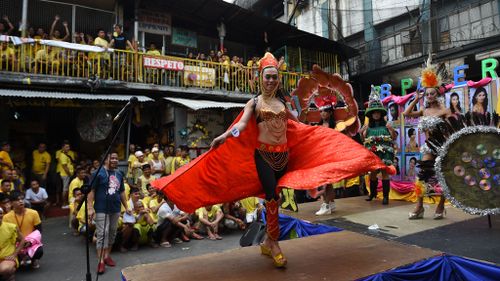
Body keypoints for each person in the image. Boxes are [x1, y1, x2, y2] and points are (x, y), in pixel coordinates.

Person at [152, 54, 392, 268]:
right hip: (263, 156)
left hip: (284, 156)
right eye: (267, 77)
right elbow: (243, 125)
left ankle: (268, 240)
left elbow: (296, 125)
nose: (271, 81)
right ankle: (274, 243)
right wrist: (225, 135)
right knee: (272, 196)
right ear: (261, 78)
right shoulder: (254, 103)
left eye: (274, 77)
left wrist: (318, 134)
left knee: (276, 195)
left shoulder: (282, 104)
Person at [404, 59, 451, 220]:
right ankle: (419, 207)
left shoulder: (445, 110)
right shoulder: (423, 110)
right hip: (429, 147)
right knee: (422, 175)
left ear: (438, 94)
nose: (430, 95)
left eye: (432, 93)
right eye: (427, 93)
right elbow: (406, 114)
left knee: (444, 176)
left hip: (444, 145)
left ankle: (441, 205)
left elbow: (453, 127)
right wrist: (416, 99)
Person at [87, 152, 130, 274]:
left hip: (115, 209)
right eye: (113, 158)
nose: (115, 160)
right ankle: (100, 261)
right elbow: (91, 191)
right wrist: (90, 208)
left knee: (112, 232)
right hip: (101, 209)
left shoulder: (119, 174)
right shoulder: (98, 173)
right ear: (106, 159)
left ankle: (107, 256)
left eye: (117, 158)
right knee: (102, 233)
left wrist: (126, 206)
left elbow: (121, 192)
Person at [360, 86, 397, 205]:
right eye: (374, 113)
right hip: (373, 153)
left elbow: (394, 138)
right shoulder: (368, 127)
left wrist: (391, 130)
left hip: (385, 153)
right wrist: (361, 133)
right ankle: (372, 194)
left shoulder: (387, 125)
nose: (376, 115)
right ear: (371, 115)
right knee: (373, 173)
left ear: (380, 113)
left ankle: (385, 197)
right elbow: (364, 141)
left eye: (378, 113)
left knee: (385, 173)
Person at [3, 191, 43, 269]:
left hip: (30, 241)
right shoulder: (6, 217)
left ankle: (33, 259)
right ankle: (20, 259)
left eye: (22, 199)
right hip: (15, 243)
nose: (21, 201)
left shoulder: (33, 213)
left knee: (39, 251)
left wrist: (30, 242)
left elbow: (39, 230)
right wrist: (19, 242)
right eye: (17, 200)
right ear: (11, 203)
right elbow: (7, 234)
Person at [314, 97, 339, 215]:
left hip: (331, 156)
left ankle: (326, 205)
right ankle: (331, 203)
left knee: (327, 181)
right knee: (325, 181)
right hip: (320, 156)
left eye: (325, 111)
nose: (322, 113)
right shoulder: (317, 126)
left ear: (330, 112)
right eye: (321, 111)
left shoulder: (337, 126)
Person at [0, 206, 26, 281]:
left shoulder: (11, 227)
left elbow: (22, 240)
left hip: (7, 258)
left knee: (5, 269)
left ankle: (9, 274)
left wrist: (15, 254)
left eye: (0, 213)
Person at [57, 143, 74, 208]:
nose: (68, 148)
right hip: (66, 174)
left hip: (67, 174)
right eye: (66, 147)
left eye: (69, 147)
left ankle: (67, 202)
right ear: (63, 148)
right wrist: (69, 174)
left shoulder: (66, 155)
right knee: (65, 189)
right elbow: (64, 166)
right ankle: (64, 204)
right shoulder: (63, 156)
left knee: (66, 188)